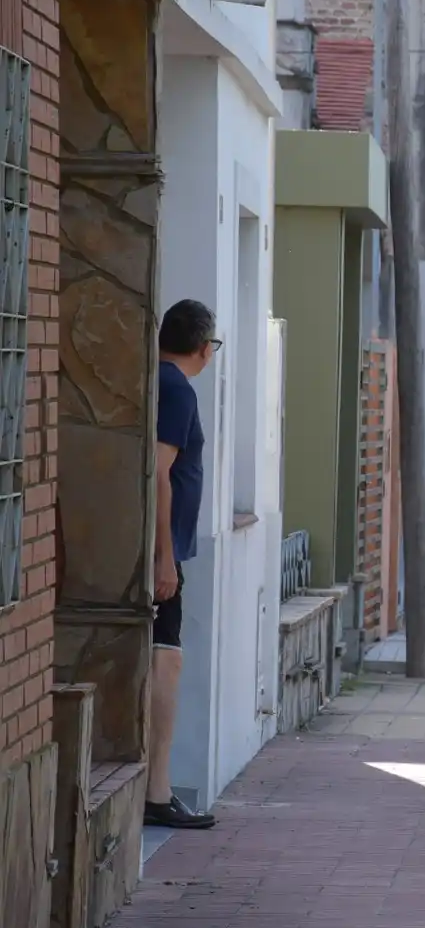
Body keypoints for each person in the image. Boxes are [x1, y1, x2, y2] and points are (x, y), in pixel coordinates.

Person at [147, 300, 220, 829]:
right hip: (161, 554)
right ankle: (156, 791)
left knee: (164, 658)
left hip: (164, 550)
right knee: (165, 661)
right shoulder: (175, 388)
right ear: (202, 347)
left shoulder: (162, 381)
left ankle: (156, 787)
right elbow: (159, 472)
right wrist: (164, 557)